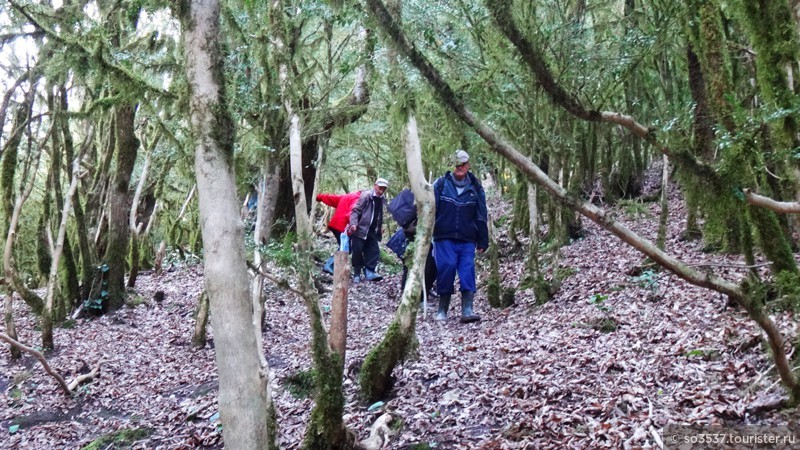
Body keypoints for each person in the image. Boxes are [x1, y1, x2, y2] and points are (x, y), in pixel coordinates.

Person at [433, 150, 488, 323]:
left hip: (467, 237)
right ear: (452, 166)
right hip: (444, 236)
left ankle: (467, 309)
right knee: (446, 268)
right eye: (457, 164)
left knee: (467, 270)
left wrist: (483, 239)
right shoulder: (441, 184)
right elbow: (430, 210)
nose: (460, 168)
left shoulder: (475, 187)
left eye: (463, 164)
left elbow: (481, 214)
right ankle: (442, 309)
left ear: (468, 165)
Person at [348, 178, 389, 282]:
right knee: (357, 251)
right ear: (375, 185)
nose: (381, 191)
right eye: (380, 188)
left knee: (374, 250)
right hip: (360, 228)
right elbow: (355, 210)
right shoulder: (366, 196)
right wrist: (353, 223)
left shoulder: (382, 199)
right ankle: (357, 274)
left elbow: (380, 214)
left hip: (372, 230)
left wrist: (380, 227)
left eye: (384, 189)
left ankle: (369, 272)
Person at [316, 190, 361, 274]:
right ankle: (329, 265)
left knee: (345, 247)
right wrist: (351, 224)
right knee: (346, 247)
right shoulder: (358, 199)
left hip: (335, 225)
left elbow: (333, 198)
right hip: (343, 227)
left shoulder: (347, 196)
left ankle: (336, 267)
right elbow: (352, 211)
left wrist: (319, 197)